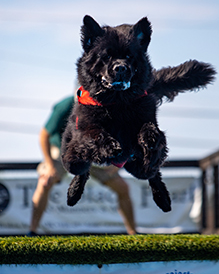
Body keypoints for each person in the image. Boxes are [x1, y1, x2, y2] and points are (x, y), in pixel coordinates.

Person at [28, 95, 137, 236]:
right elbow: (44, 135)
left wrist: (117, 164)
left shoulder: (107, 105)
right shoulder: (65, 106)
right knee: (45, 182)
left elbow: (122, 136)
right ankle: (32, 231)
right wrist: (49, 165)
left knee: (123, 188)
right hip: (63, 152)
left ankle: (133, 233)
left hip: (91, 154)